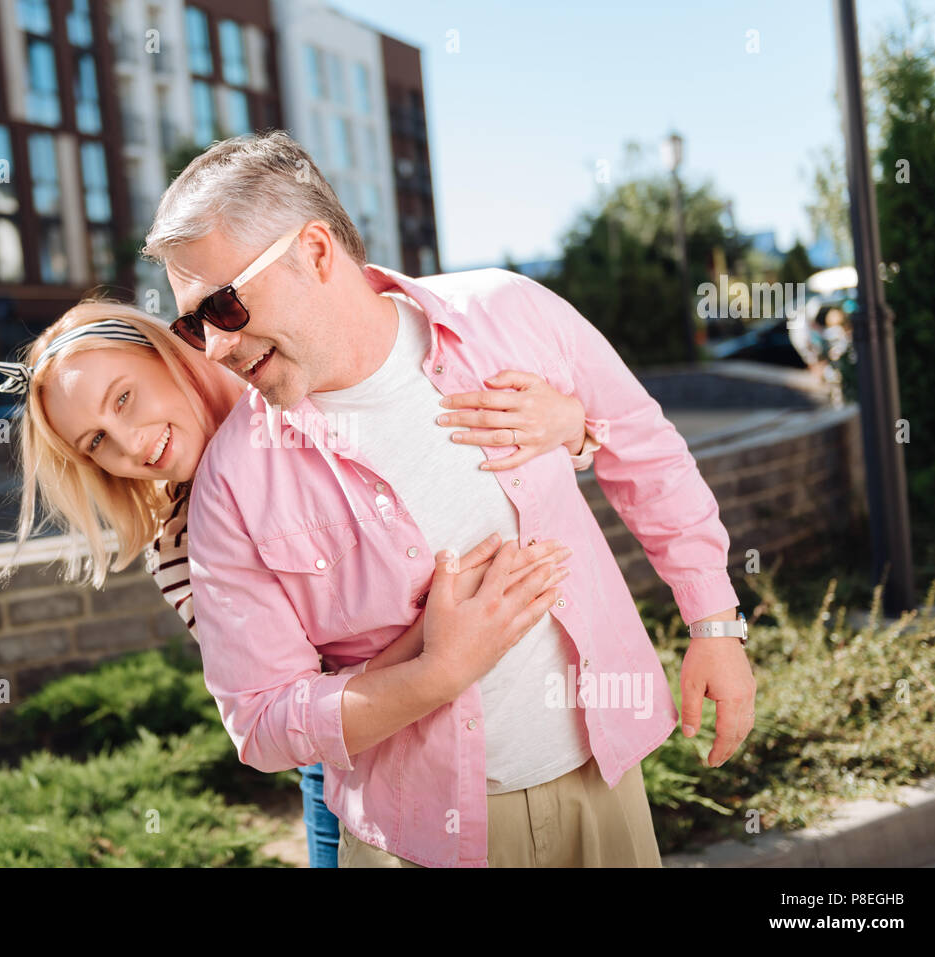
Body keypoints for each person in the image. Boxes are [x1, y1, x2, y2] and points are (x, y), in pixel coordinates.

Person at [142, 130, 757, 867]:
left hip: (602, 790)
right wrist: (436, 671)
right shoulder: (233, 486)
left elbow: (642, 447)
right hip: (413, 839)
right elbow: (262, 720)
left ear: (313, 249)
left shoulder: (510, 312)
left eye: (225, 306)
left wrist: (715, 625)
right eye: (190, 324)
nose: (212, 347)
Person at [0, 301, 600, 867]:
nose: (129, 443)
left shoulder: (306, 385)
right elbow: (286, 700)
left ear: (168, 354)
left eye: (123, 399)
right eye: (96, 442)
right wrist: (440, 647)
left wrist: (571, 427)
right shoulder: (179, 543)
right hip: (355, 762)